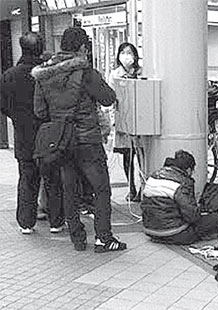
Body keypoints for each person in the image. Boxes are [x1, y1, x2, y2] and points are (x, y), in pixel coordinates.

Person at [31, 27, 126, 253]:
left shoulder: (44, 74)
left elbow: (39, 111)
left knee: (69, 189)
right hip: (87, 140)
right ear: (83, 47)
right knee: (101, 189)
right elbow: (108, 98)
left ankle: (77, 237)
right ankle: (103, 238)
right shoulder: (86, 72)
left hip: (61, 142)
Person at [0, 32, 64, 234]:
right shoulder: (50, 72)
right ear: (41, 48)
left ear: (22, 48)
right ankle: (56, 221)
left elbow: (3, 104)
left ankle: (26, 222)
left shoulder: (9, 75)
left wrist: (16, 117)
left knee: (27, 178)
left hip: (23, 134)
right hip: (48, 133)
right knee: (52, 179)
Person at [141, 150, 218, 244]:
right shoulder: (182, 182)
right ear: (188, 170)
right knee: (216, 218)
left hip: (150, 231)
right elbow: (192, 216)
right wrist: (199, 209)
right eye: (192, 170)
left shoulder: (154, 175)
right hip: (174, 233)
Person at [107, 42, 144, 202]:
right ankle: (131, 188)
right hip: (123, 121)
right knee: (127, 156)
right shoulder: (115, 75)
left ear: (135, 56)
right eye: (123, 52)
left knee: (143, 156)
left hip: (141, 121)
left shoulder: (142, 72)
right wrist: (114, 120)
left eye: (130, 53)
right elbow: (109, 100)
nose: (126, 56)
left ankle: (144, 186)